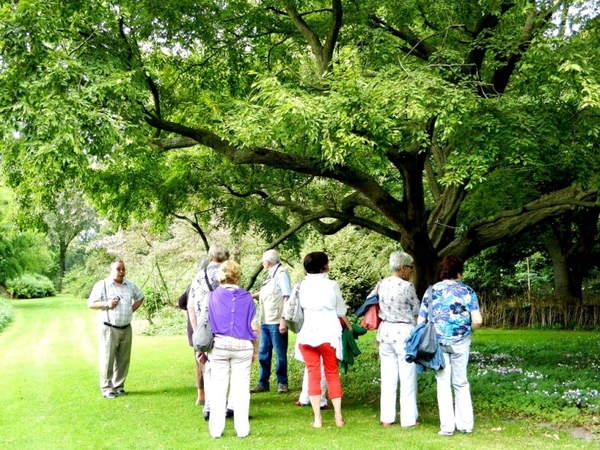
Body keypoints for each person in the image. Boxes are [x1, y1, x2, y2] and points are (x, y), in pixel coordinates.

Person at [418, 255, 483, 436]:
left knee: (442, 382)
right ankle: (466, 424)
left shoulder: (431, 291)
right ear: (459, 273)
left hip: (438, 343)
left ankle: (447, 427)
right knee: (461, 382)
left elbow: (420, 321)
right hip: (461, 342)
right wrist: (470, 331)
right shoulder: (468, 291)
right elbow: (477, 319)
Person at [295, 251, 351, 428]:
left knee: (313, 375)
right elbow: (341, 311)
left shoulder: (301, 286)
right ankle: (338, 417)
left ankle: (317, 419)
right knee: (332, 373)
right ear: (324, 266)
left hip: (307, 334)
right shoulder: (332, 285)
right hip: (328, 334)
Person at [207, 261, 259, 439]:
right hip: (243, 346)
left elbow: (204, 324)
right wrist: (255, 351)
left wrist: (201, 350)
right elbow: (255, 328)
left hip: (219, 345)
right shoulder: (248, 298)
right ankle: (242, 429)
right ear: (238, 276)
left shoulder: (212, 296)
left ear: (220, 276)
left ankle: (216, 430)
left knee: (218, 388)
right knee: (242, 389)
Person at [374, 251, 420, 427]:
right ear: (403, 268)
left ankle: (387, 417)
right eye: (410, 268)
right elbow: (416, 308)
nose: (411, 271)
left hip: (385, 333)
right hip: (404, 333)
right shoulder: (407, 287)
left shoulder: (381, 284)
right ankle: (408, 419)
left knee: (388, 377)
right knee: (407, 377)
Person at [88, 259, 145, 399]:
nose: (121, 272)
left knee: (123, 359)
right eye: (118, 269)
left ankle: (118, 386)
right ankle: (107, 388)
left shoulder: (129, 285)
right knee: (107, 358)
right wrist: (107, 304)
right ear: (111, 270)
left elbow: (140, 297)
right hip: (109, 328)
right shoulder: (102, 285)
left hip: (126, 327)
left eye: (123, 269)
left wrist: (131, 310)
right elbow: (91, 304)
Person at [188, 243, 230, 420]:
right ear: (226, 256)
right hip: (225, 326)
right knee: (226, 366)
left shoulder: (198, 276)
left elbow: (190, 306)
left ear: (210, 255)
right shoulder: (229, 273)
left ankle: (209, 407)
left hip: (204, 327)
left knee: (209, 366)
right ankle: (226, 405)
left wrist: (197, 331)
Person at [251, 249, 292, 394]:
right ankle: (263, 383)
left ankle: (282, 383)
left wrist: (283, 321)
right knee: (263, 353)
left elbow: (287, 297)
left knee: (280, 354)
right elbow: (267, 293)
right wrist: (251, 296)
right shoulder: (270, 275)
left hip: (276, 320)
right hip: (265, 320)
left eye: (263, 261)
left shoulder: (281, 274)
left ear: (267, 263)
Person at [178, 257, 209, 406]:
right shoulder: (197, 284)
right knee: (202, 362)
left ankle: (203, 395)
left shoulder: (194, 283)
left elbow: (183, 304)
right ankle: (202, 395)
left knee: (201, 361)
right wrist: (191, 319)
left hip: (197, 327)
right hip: (200, 328)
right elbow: (182, 304)